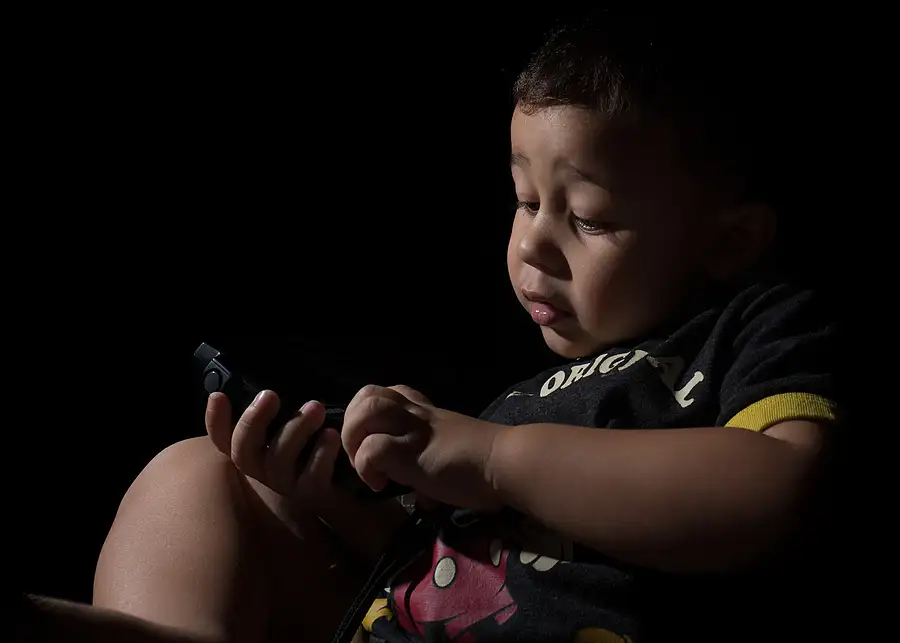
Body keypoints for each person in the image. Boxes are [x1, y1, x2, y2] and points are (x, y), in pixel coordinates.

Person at [93, 13, 840, 643]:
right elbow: (453, 575)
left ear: (729, 242)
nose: (533, 243)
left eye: (587, 217)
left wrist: (490, 457)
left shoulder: (759, 328)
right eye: (525, 201)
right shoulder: (530, 397)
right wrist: (368, 497)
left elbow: (779, 489)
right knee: (195, 477)